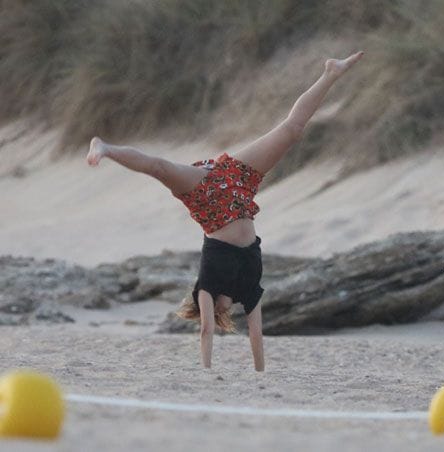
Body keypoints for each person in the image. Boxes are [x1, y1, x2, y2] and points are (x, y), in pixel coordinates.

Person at [86, 51, 364, 371]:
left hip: (205, 195)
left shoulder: (207, 286)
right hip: (239, 186)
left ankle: (104, 147)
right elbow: (257, 336)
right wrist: (260, 374)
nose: (225, 311)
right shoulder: (247, 287)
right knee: (292, 131)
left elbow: (205, 331)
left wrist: (206, 370)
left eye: (221, 312)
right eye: (225, 314)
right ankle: (331, 73)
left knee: (160, 167)